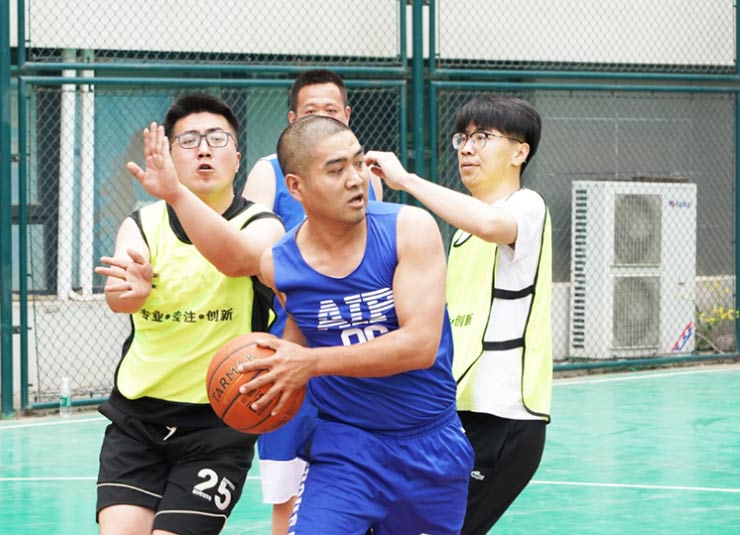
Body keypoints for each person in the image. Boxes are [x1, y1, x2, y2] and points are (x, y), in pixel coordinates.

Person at [239, 115, 473, 535]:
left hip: (429, 442)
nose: (355, 179)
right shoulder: (278, 264)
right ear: (295, 187)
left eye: (359, 163)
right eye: (336, 170)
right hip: (346, 446)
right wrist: (264, 384)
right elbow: (296, 342)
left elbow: (419, 345)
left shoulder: (408, 229)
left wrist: (310, 364)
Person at [93, 93, 285, 535]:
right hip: (138, 420)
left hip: (218, 425)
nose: (203, 150)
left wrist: (176, 195)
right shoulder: (142, 224)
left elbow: (238, 260)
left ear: (237, 159)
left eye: (217, 139)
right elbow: (119, 296)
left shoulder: (263, 225)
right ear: (170, 156)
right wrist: (131, 291)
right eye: (189, 140)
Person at [365, 95, 552, 534]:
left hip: (504, 415)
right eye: (462, 138)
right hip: (455, 411)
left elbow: (491, 224)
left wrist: (406, 181)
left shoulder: (527, 206)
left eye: (482, 137)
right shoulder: (462, 237)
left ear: (519, 152)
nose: (467, 148)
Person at [240, 68, 383, 535]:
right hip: (293, 349)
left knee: (371, 487)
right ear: (291, 119)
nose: (321, 116)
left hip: (356, 350)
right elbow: (250, 253)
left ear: (347, 116)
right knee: (289, 492)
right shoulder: (268, 171)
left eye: (331, 110)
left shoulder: (365, 178)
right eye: (310, 110)